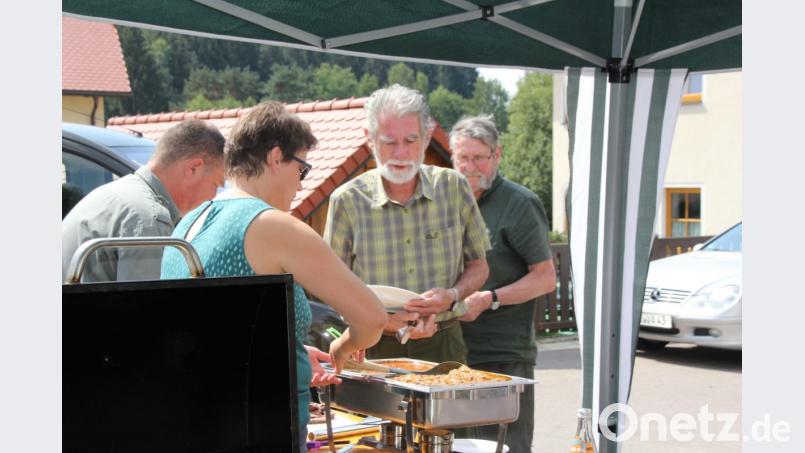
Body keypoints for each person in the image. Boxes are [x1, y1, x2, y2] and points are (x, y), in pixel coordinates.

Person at [159, 101, 387, 446]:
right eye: (302, 169)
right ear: (275, 156)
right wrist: (343, 346)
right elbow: (372, 319)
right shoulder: (272, 225)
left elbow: (218, 329)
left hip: (199, 420)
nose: (299, 186)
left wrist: (288, 348)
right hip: (259, 425)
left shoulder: (188, 221)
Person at [324, 85, 490, 364]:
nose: (400, 153)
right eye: (389, 142)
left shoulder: (454, 188)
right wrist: (381, 320)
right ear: (370, 139)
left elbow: (479, 266)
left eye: (410, 140)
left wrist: (452, 295)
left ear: (426, 138)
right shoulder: (347, 201)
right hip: (371, 345)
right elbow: (330, 285)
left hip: (444, 343)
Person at [450, 115, 557, 453]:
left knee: (504, 448)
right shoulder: (446, 202)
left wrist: (490, 298)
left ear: (497, 155)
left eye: (479, 157)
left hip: (503, 356)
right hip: (453, 354)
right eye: (463, 157)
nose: (470, 166)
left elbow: (546, 277)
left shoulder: (519, 203)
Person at [62, 120, 226, 282]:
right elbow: (146, 304)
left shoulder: (115, 196)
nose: (213, 197)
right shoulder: (148, 219)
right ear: (193, 169)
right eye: (216, 184)